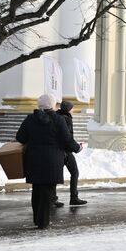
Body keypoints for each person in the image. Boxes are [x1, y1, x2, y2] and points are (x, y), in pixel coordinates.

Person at [17, 94, 74, 229]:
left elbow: (20, 137)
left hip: (33, 160)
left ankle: (37, 219)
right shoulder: (58, 120)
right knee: (47, 192)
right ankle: (43, 223)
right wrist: (77, 148)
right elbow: (67, 140)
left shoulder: (30, 119)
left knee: (36, 190)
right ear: (52, 105)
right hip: (52, 161)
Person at [54, 99, 86, 209]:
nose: (73, 111)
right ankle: (74, 198)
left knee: (54, 175)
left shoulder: (57, 116)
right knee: (74, 172)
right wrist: (77, 148)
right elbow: (67, 137)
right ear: (68, 109)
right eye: (72, 109)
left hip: (57, 150)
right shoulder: (66, 119)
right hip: (65, 151)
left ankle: (53, 199)